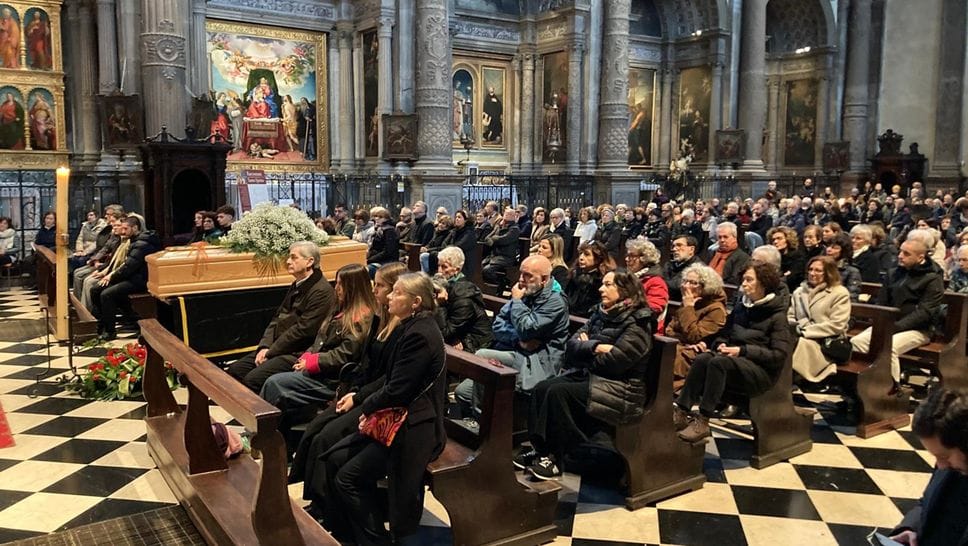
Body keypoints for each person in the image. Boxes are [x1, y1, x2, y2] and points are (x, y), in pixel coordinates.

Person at [321, 273, 446, 545]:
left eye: (397, 293)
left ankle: (375, 540)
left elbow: (398, 389)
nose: (389, 296)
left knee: (347, 479)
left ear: (415, 302)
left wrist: (366, 405)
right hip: (397, 418)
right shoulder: (410, 326)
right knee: (334, 458)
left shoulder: (420, 334)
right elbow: (391, 382)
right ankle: (346, 531)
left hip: (413, 428)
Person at [515, 270, 654, 480]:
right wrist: (596, 347)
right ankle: (541, 449)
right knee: (543, 387)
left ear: (625, 290)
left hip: (621, 390)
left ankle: (555, 458)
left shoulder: (638, 323)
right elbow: (570, 348)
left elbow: (614, 364)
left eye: (608, 285)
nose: (601, 288)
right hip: (593, 378)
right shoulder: (602, 313)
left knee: (558, 392)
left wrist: (585, 346)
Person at [292, 262, 405, 506]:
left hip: (382, 403)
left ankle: (324, 504)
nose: (374, 290)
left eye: (381, 286)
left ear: (398, 290)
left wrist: (359, 397)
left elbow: (391, 379)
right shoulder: (379, 319)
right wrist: (353, 390)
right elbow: (365, 363)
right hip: (363, 392)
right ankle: (312, 494)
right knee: (316, 427)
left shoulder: (405, 329)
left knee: (326, 437)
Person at [673, 261, 794, 443]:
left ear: (763, 283)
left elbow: (778, 355)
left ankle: (703, 420)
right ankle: (682, 411)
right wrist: (718, 345)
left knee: (718, 362)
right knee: (704, 358)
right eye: (743, 279)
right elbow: (724, 334)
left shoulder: (777, 316)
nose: (743, 284)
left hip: (761, 372)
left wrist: (742, 350)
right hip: (737, 364)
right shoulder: (741, 308)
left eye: (749, 280)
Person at [259, 264, 377, 423]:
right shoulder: (340, 308)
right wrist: (307, 355)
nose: (337, 288)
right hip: (319, 370)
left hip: (332, 379)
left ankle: (263, 434)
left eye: (341, 284)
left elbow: (345, 354)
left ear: (353, 287)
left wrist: (313, 361)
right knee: (271, 376)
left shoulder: (361, 317)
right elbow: (320, 338)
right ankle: (269, 429)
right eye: (337, 283)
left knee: (275, 383)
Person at [455, 255, 570, 414]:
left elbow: (527, 328)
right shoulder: (527, 292)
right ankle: (478, 423)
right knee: (462, 393)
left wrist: (516, 302)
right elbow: (498, 325)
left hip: (537, 362)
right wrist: (518, 340)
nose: (521, 279)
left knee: (482, 355)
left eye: (528, 275)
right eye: (521, 273)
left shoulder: (554, 301)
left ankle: (483, 423)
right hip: (514, 352)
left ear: (544, 279)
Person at [227, 241, 336, 392]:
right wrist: (264, 346)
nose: (288, 261)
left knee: (252, 380)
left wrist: (271, 351)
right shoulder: (298, 284)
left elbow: (304, 331)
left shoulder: (321, 291)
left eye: (294, 258)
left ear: (309, 261)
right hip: (277, 347)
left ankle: (264, 414)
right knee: (235, 370)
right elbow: (277, 318)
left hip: (297, 351)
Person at [849, 235, 944, 383]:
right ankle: (863, 384)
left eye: (906, 254)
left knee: (888, 348)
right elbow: (882, 302)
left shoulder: (932, 278)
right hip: (889, 325)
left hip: (919, 330)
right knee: (856, 342)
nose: (900, 256)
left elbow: (925, 312)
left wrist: (896, 327)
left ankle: (891, 389)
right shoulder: (893, 273)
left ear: (920, 257)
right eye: (900, 251)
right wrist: (881, 323)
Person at [888, 388, 968, 546]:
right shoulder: (949, 466)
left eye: (944, 456)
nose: (940, 465)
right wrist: (909, 529)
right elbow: (925, 502)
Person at [90, 216, 162, 340]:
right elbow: (124, 265)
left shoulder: (142, 243)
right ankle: (101, 324)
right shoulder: (133, 240)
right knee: (95, 289)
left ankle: (110, 331)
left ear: (135, 228)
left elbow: (129, 267)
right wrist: (109, 274)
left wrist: (111, 277)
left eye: (125, 229)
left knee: (106, 294)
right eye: (122, 228)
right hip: (131, 277)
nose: (122, 232)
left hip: (140, 280)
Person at [788, 256, 852, 383]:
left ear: (828, 273)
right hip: (800, 335)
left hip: (826, 341)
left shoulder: (839, 293)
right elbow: (790, 316)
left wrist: (806, 331)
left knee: (799, 343)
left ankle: (791, 380)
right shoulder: (799, 292)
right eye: (810, 269)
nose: (812, 273)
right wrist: (798, 327)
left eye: (818, 270)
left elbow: (837, 325)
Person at [664, 263, 728, 383]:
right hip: (679, 346)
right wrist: (681, 340)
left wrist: (688, 308)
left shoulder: (716, 309)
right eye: (685, 281)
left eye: (693, 283)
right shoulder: (689, 302)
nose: (686, 286)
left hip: (694, 354)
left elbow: (694, 336)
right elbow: (669, 329)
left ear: (706, 286)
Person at [433, 246, 493, 353]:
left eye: (444, 267)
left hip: (475, 342)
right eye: (438, 266)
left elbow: (444, 332)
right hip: (458, 335)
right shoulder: (443, 286)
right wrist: (452, 337)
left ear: (457, 269)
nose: (439, 271)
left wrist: (440, 304)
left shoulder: (463, 295)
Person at [624, 237, 669, 327]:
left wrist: (624, 305)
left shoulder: (656, 282)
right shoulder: (626, 277)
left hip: (643, 327)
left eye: (631, 256)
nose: (626, 259)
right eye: (627, 255)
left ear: (644, 258)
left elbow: (654, 308)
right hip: (625, 323)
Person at [567, 241, 615, 318]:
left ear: (598, 259)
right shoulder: (574, 273)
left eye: (587, 254)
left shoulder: (602, 280)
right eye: (580, 253)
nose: (581, 258)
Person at [481, 206, 521, 287]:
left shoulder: (514, 229)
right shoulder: (499, 226)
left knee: (487, 270)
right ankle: (488, 288)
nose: (505, 215)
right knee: (480, 265)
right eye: (505, 214)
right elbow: (487, 238)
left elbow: (504, 240)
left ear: (513, 216)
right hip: (494, 255)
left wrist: (494, 239)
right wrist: (493, 241)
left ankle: (501, 285)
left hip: (506, 257)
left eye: (508, 214)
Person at [825, 232, 863, 301]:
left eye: (835, 248)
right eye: (828, 246)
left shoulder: (852, 272)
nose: (829, 250)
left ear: (843, 251)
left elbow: (851, 298)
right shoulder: (820, 267)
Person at [664, 235, 703, 301]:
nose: (674, 249)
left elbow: (677, 287)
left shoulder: (697, 268)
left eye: (679, 245)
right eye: (673, 246)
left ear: (691, 249)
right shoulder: (669, 264)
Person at [767, 226, 806, 290]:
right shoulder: (771, 258)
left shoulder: (798, 257)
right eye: (773, 240)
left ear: (788, 240)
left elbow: (792, 277)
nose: (775, 242)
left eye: (779, 238)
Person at [366, 207, 400, 277]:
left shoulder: (389, 230)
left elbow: (388, 252)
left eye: (380, 217)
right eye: (375, 216)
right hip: (377, 259)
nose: (377, 218)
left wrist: (370, 260)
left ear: (386, 218)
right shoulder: (378, 229)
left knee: (365, 271)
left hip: (387, 261)